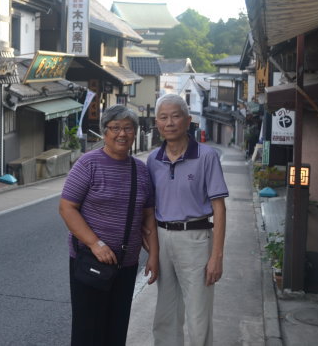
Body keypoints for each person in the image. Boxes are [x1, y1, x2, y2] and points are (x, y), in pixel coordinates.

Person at [59, 105, 159, 346]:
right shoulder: (88, 164)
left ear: (135, 133)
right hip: (90, 261)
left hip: (126, 265)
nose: (121, 134)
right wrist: (95, 244)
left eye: (127, 128)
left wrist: (154, 256)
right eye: (115, 128)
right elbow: (67, 208)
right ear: (105, 132)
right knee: (87, 332)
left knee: (116, 330)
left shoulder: (141, 170)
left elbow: (148, 217)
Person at [147, 94, 228, 346]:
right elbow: (149, 209)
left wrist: (216, 256)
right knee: (165, 313)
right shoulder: (152, 160)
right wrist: (152, 250)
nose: (169, 122)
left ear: (188, 120)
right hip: (162, 237)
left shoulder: (206, 156)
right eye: (163, 117)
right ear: (156, 123)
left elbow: (219, 208)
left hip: (196, 238)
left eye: (175, 115)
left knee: (198, 313)